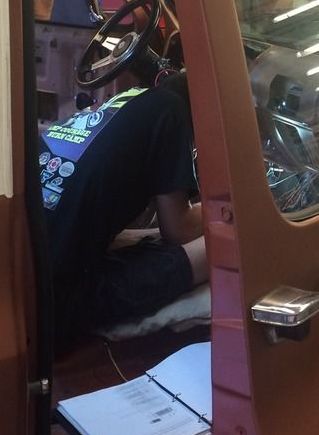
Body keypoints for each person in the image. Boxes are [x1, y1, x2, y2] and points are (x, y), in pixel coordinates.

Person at [37, 72, 207, 347]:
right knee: (229, 241)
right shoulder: (173, 109)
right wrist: (227, 209)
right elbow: (179, 229)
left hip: (29, 269)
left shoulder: (121, 104)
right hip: (56, 304)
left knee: (150, 241)